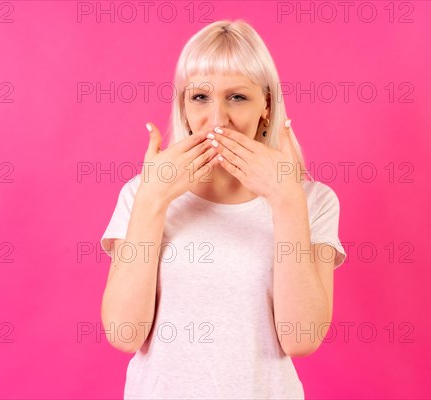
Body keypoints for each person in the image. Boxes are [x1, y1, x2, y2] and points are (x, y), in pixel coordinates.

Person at [99, 19, 347, 400]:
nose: (217, 119)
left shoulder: (312, 200)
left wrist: (286, 202)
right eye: (200, 97)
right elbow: (124, 333)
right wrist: (153, 201)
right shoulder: (141, 194)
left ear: (266, 104)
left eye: (237, 97)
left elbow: (301, 338)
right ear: (182, 106)